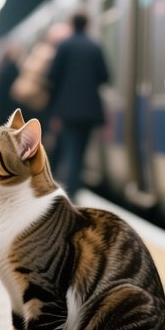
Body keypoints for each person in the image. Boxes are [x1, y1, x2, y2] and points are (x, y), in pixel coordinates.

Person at [46, 11, 109, 199]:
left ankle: (70, 191)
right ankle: (73, 188)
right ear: (88, 24)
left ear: (71, 24)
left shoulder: (64, 46)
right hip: (89, 111)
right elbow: (105, 76)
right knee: (80, 151)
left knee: (71, 150)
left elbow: (52, 77)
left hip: (67, 111)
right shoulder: (95, 46)